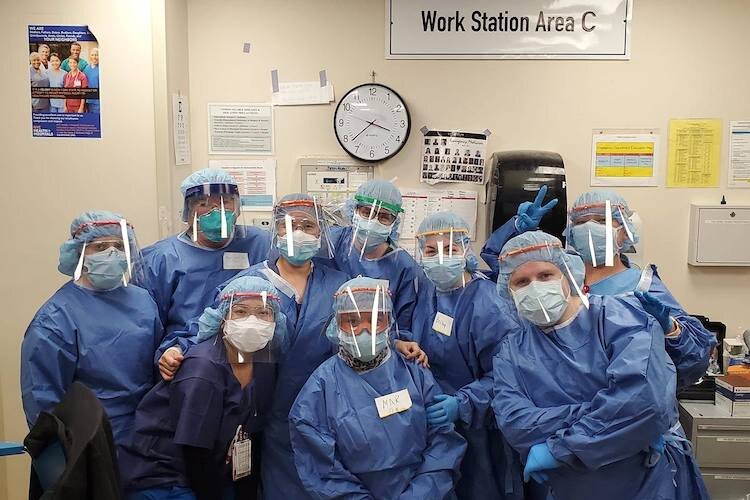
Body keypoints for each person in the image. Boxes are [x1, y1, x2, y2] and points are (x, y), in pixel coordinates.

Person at [491, 231, 709, 500]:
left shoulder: (621, 318)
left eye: (545, 275)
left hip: (642, 482)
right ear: (508, 291)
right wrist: (614, 420)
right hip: (569, 486)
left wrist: (559, 449)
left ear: (567, 275)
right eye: (521, 281)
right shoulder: (511, 350)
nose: (534, 287)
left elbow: (645, 403)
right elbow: (516, 422)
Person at [482, 188, 715, 389]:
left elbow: (694, 360)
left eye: (602, 221)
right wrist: (517, 229)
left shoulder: (641, 285)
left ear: (625, 230)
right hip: (554, 395)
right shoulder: (554, 274)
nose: (590, 228)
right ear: (571, 231)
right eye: (581, 223)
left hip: (617, 401)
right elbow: (502, 268)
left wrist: (671, 330)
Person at [290, 277, 467, 499]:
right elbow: (322, 470)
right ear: (336, 325)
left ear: (390, 322)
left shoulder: (415, 372)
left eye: (375, 320)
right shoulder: (320, 389)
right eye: (352, 321)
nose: (365, 330)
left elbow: (443, 443)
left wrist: (421, 494)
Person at [120, 276, 286, 500]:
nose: (252, 321)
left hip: (217, 467)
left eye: (263, 313)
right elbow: (194, 452)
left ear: (276, 320)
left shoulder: (264, 362)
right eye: (240, 311)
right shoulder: (204, 369)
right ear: (221, 318)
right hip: (163, 475)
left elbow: (252, 433)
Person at [21, 211, 163, 446]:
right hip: (88, 443)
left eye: (119, 246)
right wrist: (61, 455)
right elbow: (42, 400)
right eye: (100, 247)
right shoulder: (56, 318)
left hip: (146, 435)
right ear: (79, 252)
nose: (112, 253)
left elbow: (157, 368)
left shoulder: (143, 302)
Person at [413, 212, 523, 500]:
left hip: (479, 429)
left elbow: (508, 373)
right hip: (433, 426)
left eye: (450, 249)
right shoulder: (426, 290)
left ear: (465, 250)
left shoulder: (488, 303)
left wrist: (463, 403)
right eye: (431, 251)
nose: (440, 258)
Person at [142, 168, 270, 362]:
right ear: (189, 212)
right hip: (186, 353)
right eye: (203, 203)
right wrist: (168, 352)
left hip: (252, 351)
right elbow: (150, 323)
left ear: (237, 207)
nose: (216, 210)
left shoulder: (260, 243)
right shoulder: (163, 257)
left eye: (225, 201)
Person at [326, 180, 426, 360]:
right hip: (325, 349)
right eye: (367, 212)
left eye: (384, 217)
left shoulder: (404, 268)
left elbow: (402, 325)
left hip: (373, 354)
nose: (373, 221)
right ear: (354, 210)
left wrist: (395, 342)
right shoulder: (331, 244)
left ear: (394, 223)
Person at [83, 47, 99, 113]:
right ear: (90, 56)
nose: (94, 57)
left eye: (96, 55)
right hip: (88, 100)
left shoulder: (102, 68)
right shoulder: (86, 68)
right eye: (92, 55)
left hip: (98, 100)